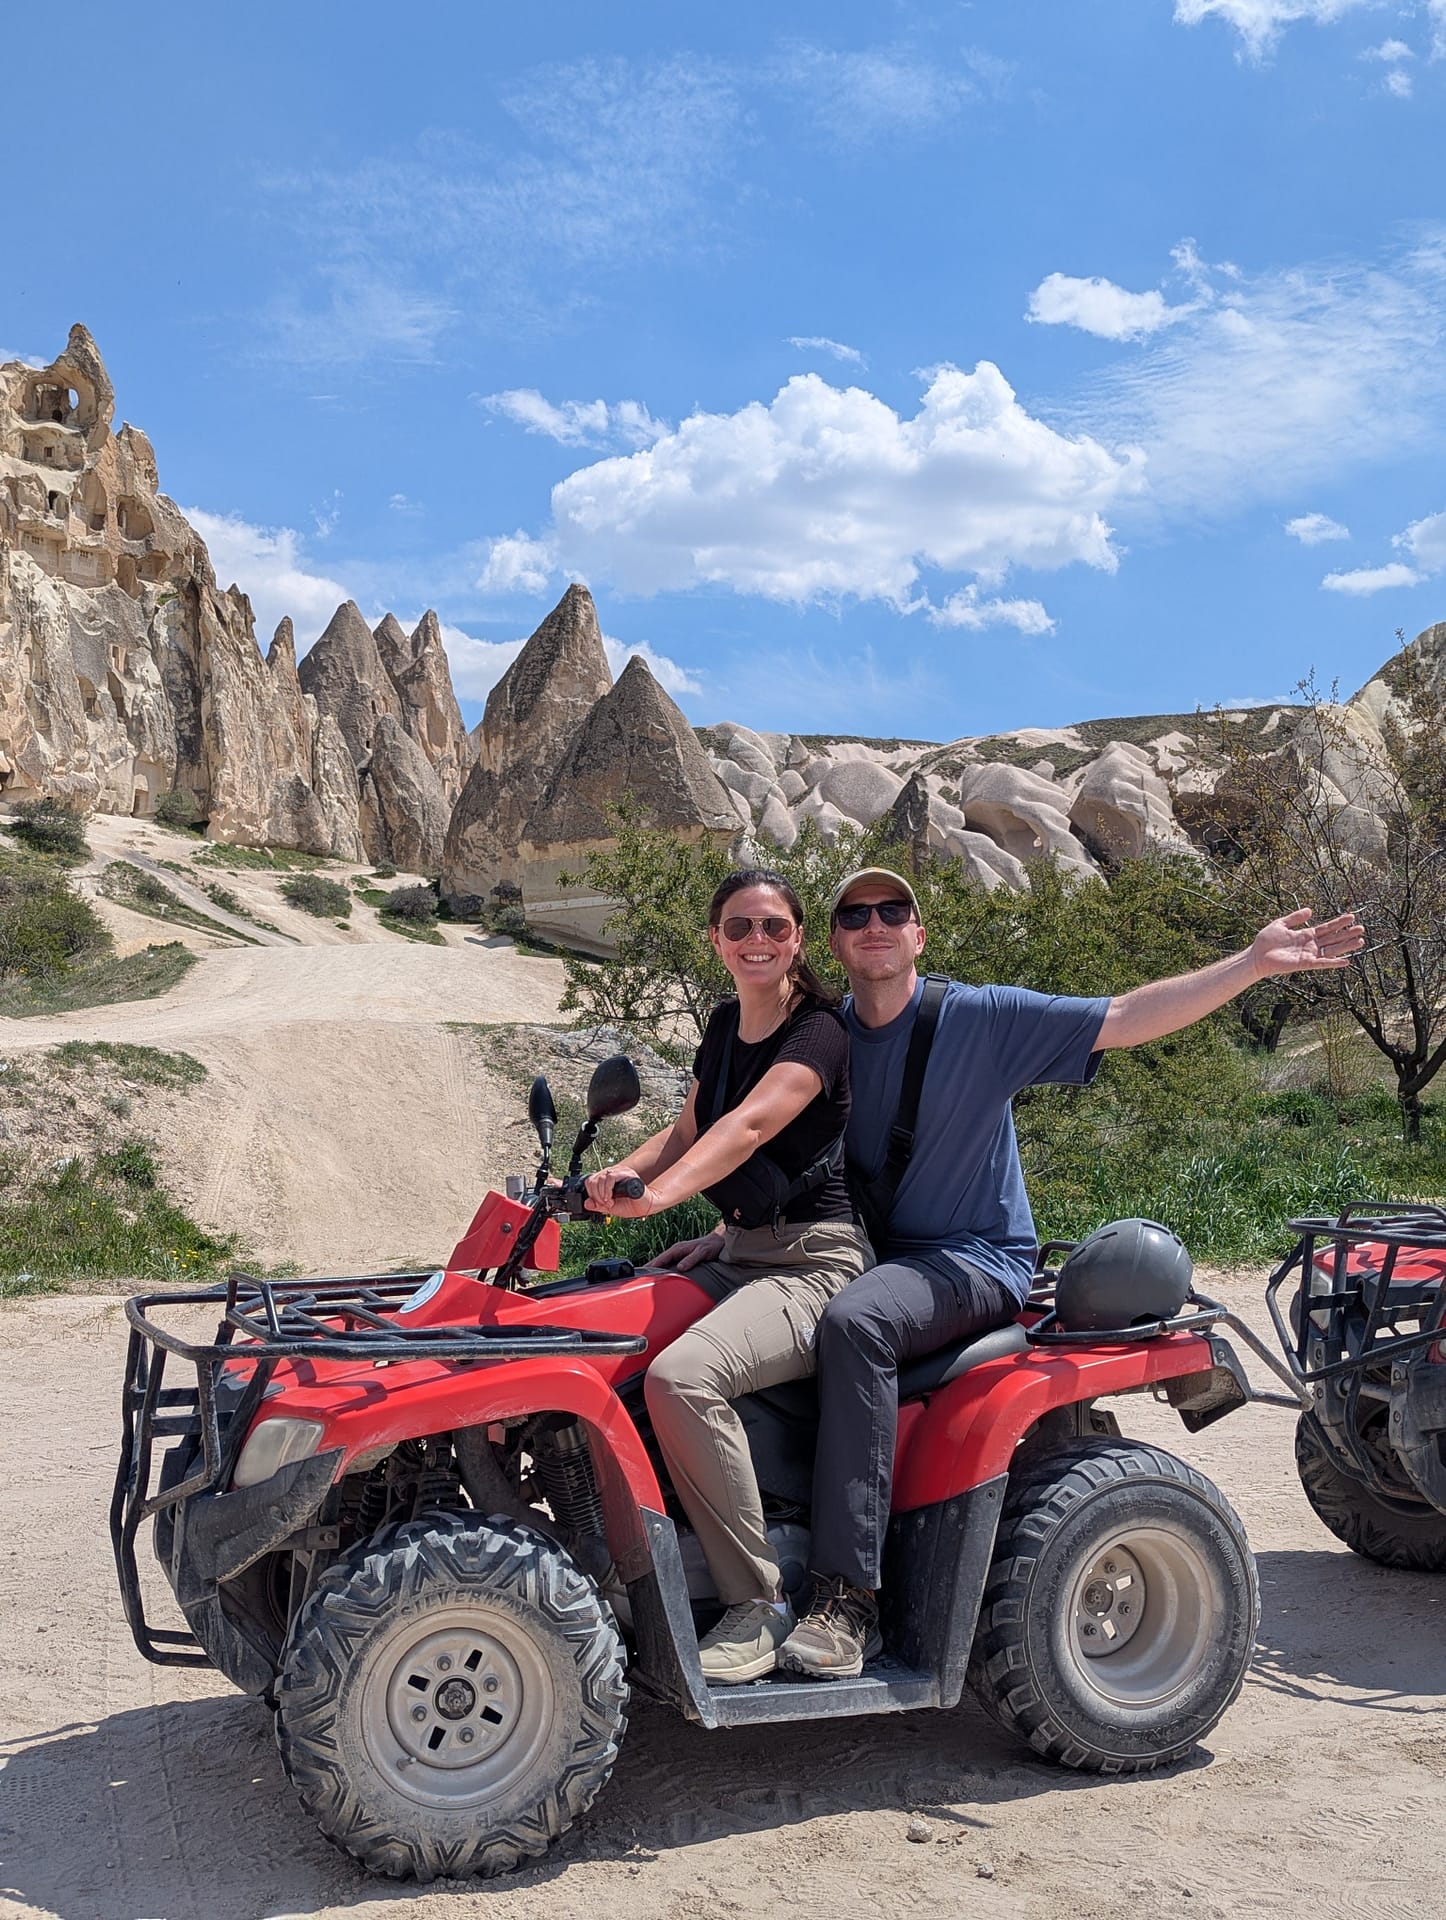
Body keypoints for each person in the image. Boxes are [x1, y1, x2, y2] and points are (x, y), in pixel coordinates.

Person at [763, 867, 1365, 1680]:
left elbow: (1123, 1017)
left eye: (893, 910)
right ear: (834, 943)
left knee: (855, 1324)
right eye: (855, 913)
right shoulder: (826, 1037)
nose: (875, 923)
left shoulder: (979, 1018)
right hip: (870, 1257)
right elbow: (760, 1138)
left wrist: (1252, 963)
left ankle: (847, 1602)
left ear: (918, 935)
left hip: (972, 1258)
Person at [584, 869, 873, 1683]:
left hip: (816, 1263)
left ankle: (758, 1604)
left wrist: (658, 1198)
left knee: (681, 1377)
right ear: (715, 940)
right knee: (594, 1338)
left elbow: (749, 1126)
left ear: (798, 940)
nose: (757, 940)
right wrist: (609, 1181)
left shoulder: (819, 1031)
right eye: (739, 926)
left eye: (774, 927)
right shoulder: (721, 1026)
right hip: (741, 1252)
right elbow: (685, 1135)